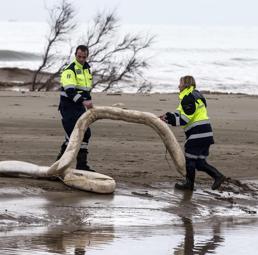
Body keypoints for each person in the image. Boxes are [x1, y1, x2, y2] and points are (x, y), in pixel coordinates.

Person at [160, 75, 225, 190]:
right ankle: (218, 176)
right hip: (206, 133)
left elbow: (184, 119)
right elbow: (182, 114)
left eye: (179, 83)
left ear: (185, 85)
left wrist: (169, 120)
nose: (178, 86)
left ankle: (189, 184)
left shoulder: (188, 98)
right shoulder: (196, 95)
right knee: (199, 163)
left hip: (197, 134)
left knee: (190, 159)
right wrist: (169, 116)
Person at [56, 45, 94, 171]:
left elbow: (86, 89)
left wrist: (88, 101)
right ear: (75, 55)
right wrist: (84, 101)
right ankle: (58, 166)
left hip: (80, 107)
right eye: (79, 56)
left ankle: (82, 165)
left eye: (84, 57)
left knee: (85, 134)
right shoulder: (69, 70)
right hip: (68, 107)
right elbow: (70, 91)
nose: (81, 59)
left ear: (87, 56)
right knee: (72, 135)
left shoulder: (87, 69)